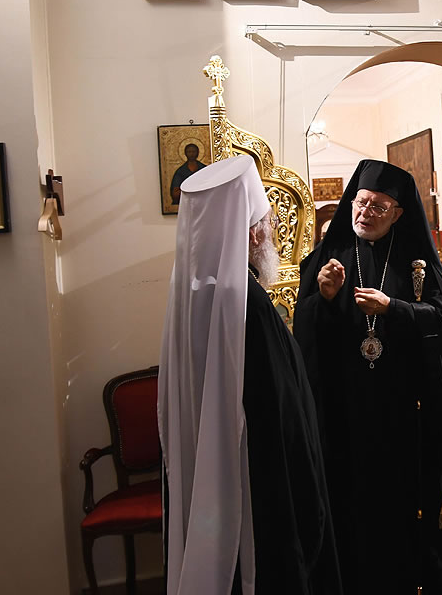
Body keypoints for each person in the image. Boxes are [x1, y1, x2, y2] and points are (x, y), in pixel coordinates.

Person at [159, 155, 341, 595]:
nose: (270, 231)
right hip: (256, 478)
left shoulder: (194, 292)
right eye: (266, 222)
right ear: (252, 231)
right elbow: (281, 409)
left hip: (213, 470)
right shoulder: (246, 304)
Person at [294, 159, 442, 595]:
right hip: (344, 411)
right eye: (361, 202)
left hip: (402, 413)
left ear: (398, 213)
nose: (366, 212)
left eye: (379, 206)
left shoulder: (416, 262)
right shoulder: (328, 257)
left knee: (399, 505)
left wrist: (395, 309)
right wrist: (325, 298)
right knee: (349, 503)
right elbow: (305, 331)